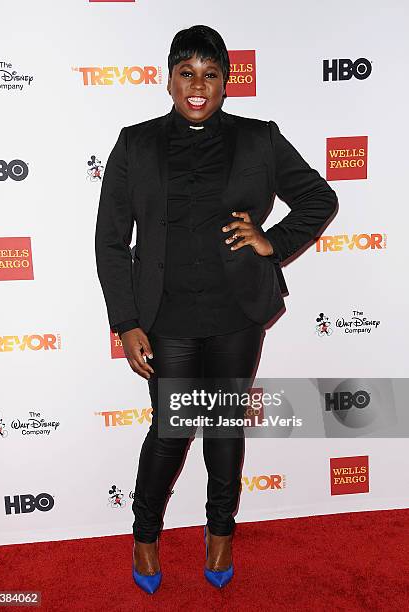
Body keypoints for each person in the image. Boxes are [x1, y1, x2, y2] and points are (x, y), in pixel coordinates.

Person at [95, 24, 338, 594]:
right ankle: (146, 534)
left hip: (236, 311)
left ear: (227, 83)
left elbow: (319, 198)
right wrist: (126, 322)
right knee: (173, 429)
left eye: (210, 75)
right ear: (170, 80)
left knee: (225, 424)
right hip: (166, 316)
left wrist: (271, 242)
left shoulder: (259, 139)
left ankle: (221, 533)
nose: (197, 86)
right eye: (187, 74)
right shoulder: (136, 144)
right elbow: (110, 241)